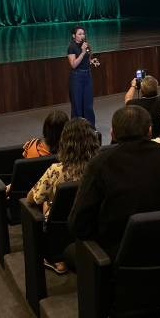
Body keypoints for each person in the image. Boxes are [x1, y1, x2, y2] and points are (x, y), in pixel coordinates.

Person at [68, 105, 160, 259]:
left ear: (113, 134)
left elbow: (78, 225)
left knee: (71, 250)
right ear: (150, 130)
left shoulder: (99, 165)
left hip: (121, 259)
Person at [27, 117, 100, 273]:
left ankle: (57, 259)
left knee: (46, 202)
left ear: (64, 142)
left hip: (63, 229)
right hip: (93, 224)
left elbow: (31, 199)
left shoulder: (56, 170)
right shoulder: (102, 166)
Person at [67, 26, 100, 127]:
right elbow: (73, 65)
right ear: (74, 36)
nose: (82, 36)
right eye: (80, 34)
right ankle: (77, 129)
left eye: (83, 34)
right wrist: (82, 52)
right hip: (77, 77)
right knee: (77, 105)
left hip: (87, 76)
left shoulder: (85, 45)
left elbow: (86, 60)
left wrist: (92, 61)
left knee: (88, 104)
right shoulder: (71, 47)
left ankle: (90, 128)